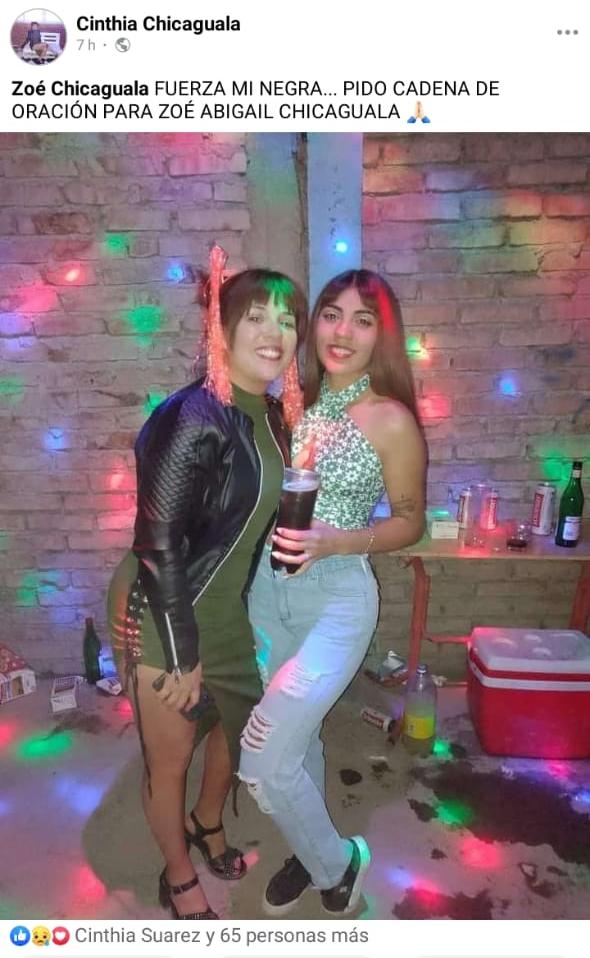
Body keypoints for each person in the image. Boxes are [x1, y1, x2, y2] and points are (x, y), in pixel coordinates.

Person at [107, 247, 306, 919]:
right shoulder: (192, 415)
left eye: (287, 320)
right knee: (169, 759)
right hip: (170, 610)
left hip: (235, 615)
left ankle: (208, 821)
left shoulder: (273, 415)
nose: (275, 333)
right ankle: (178, 874)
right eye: (257, 317)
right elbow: (158, 544)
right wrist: (182, 653)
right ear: (221, 329)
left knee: (232, 732)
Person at [239, 269, 426, 915]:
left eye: (362, 320)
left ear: (381, 337)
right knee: (300, 739)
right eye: (331, 314)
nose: (342, 332)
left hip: (337, 599)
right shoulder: (288, 404)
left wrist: (338, 541)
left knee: (262, 755)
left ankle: (338, 861)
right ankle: (310, 843)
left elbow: (410, 520)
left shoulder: (390, 419)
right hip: (269, 591)